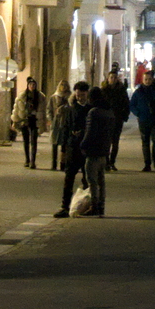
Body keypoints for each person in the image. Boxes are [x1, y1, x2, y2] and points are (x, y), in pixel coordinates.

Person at [54, 82, 93, 216]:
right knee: (68, 178)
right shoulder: (70, 109)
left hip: (86, 149)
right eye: (77, 94)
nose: (79, 97)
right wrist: (63, 150)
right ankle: (65, 206)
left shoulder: (90, 110)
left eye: (82, 94)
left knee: (87, 179)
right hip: (72, 147)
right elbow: (65, 128)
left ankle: (88, 206)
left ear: (87, 94)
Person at [80, 88, 113, 216]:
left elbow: (90, 132)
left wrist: (83, 145)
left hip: (93, 150)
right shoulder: (109, 112)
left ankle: (94, 206)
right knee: (101, 180)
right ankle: (101, 206)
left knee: (92, 180)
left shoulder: (93, 112)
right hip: (104, 150)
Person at [130, 68, 155, 170]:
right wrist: (138, 113)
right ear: (143, 80)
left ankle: (154, 157)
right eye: (145, 79)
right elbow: (132, 104)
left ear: (152, 80)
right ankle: (147, 163)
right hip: (143, 120)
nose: (147, 81)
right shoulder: (139, 92)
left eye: (149, 79)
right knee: (145, 142)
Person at [11, 76, 48, 169]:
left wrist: (43, 121)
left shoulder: (40, 97)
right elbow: (16, 109)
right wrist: (15, 121)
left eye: (34, 85)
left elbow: (43, 111)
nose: (32, 86)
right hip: (25, 120)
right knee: (26, 141)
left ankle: (33, 161)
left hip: (35, 120)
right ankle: (27, 159)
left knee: (34, 141)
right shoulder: (22, 96)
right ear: (28, 85)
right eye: (30, 84)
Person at [103, 67, 131, 169]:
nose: (113, 79)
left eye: (115, 77)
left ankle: (112, 162)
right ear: (108, 78)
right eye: (111, 77)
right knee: (106, 142)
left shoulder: (121, 90)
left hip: (117, 119)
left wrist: (124, 116)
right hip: (106, 120)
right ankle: (106, 162)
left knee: (115, 142)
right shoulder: (104, 91)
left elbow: (126, 103)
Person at [49, 79, 72, 171]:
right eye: (62, 85)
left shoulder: (70, 97)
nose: (63, 87)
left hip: (66, 122)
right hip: (56, 122)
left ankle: (63, 163)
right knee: (54, 143)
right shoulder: (54, 97)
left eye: (65, 85)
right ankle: (53, 163)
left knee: (64, 144)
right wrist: (51, 119)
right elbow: (49, 109)